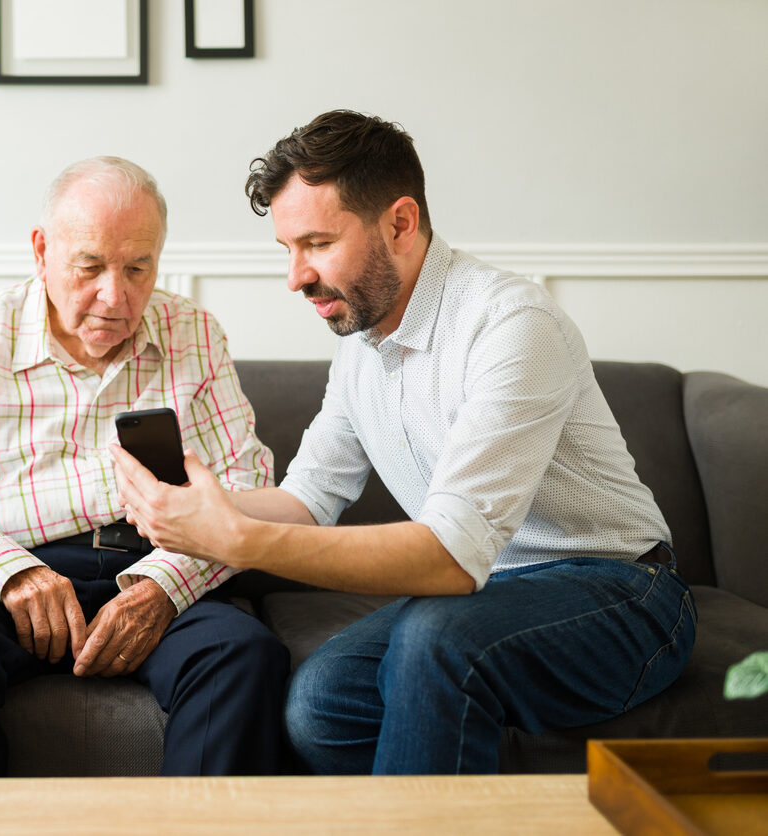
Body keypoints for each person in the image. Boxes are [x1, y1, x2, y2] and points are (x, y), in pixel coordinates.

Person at [112, 111, 697, 775]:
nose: (295, 277)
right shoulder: (361, 343)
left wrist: (237, 542)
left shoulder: (510, 323)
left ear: (399, 222)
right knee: (318, 704)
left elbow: (451, 557)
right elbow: (309, 497)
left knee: (436, 640)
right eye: (287, 249)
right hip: (487, 600)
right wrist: (202, 507)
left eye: (317, 243)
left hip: (620, 592)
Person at [0, 156, 289, 778]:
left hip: (153, 565)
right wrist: (11, 572)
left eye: (137, 268)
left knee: (242, 653)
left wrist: (159, 589)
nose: (115, 297)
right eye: (89, 267)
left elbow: (248, 490)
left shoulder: (194, 334)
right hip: (2, 576)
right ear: (41, 251)